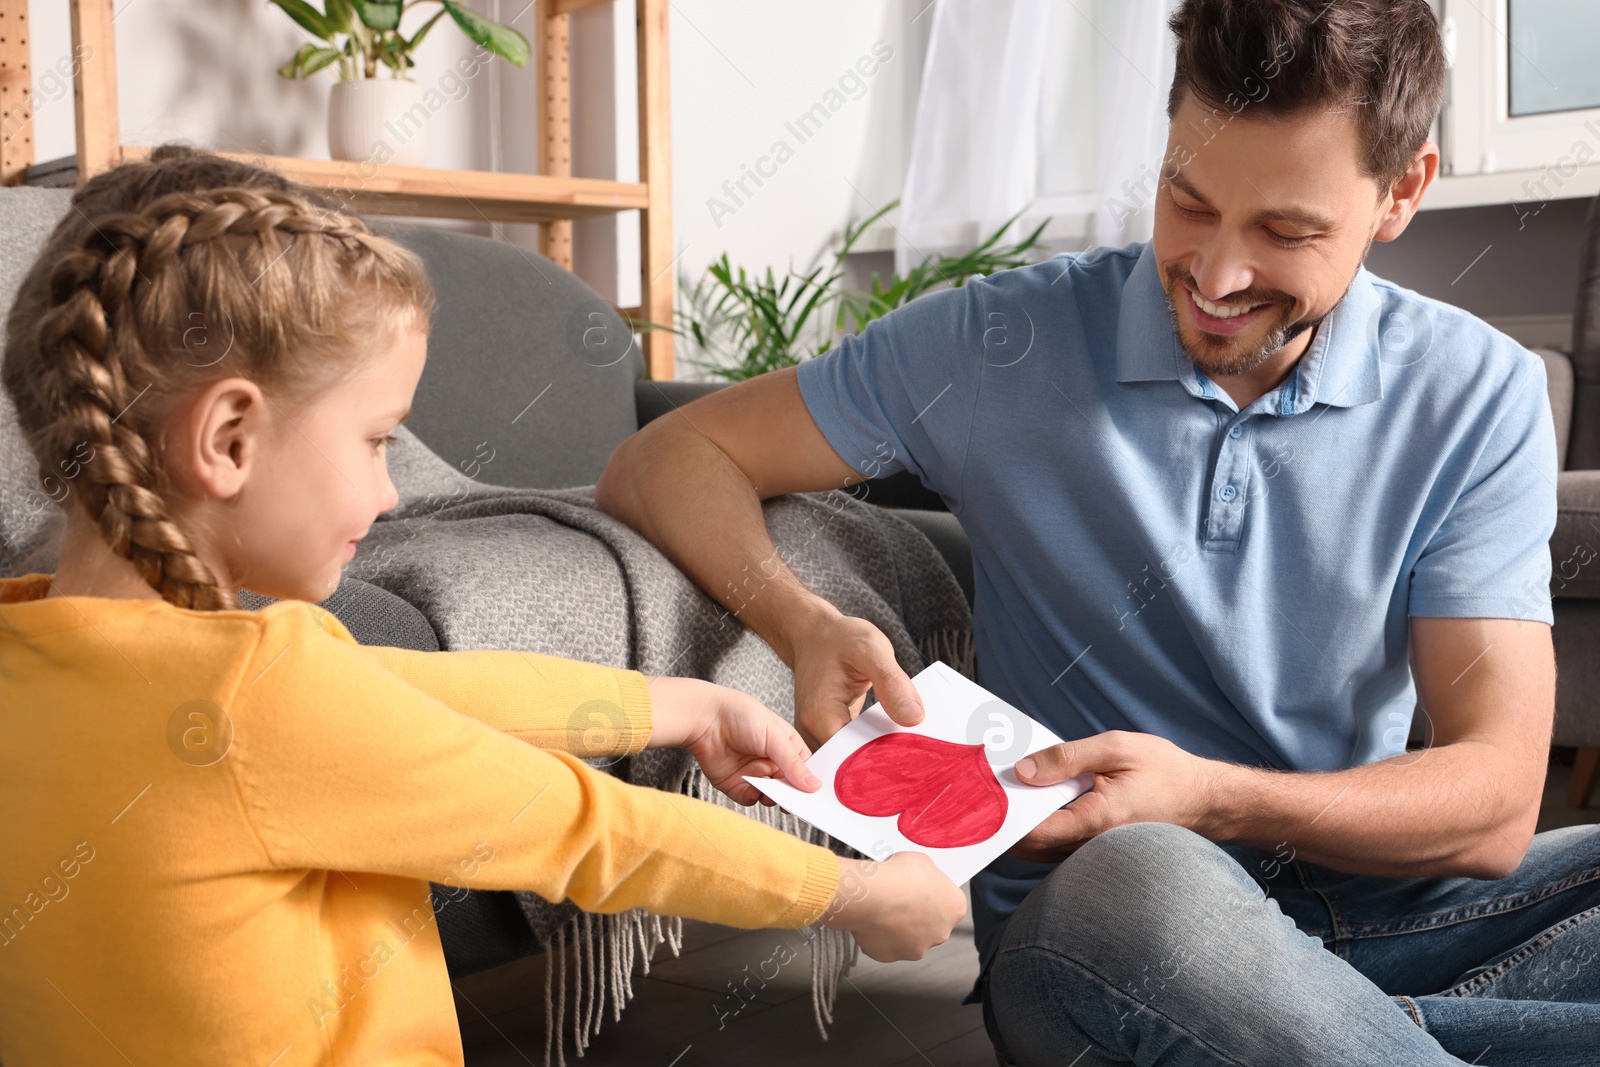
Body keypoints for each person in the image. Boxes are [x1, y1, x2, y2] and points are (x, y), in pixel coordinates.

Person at [594, 1, 1600, 1062]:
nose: (1214, 277)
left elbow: (1493, 802)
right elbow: (667, 456)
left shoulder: (1476, 391)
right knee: (1143, 875)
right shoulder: (994, 342)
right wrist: (799, 620)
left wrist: (1215, 795)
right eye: (1186, 199)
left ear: (1401, 191)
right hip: (1110, 927)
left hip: (1391, 914)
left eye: (1284, 232)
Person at [0, 145, 966, 1067]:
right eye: (379, 440)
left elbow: (398, 687)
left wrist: (685, 704)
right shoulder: (263, 695)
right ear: (230, 437)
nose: (389, 494)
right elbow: (592, 831)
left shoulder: (47, 649)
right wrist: (855, 894)